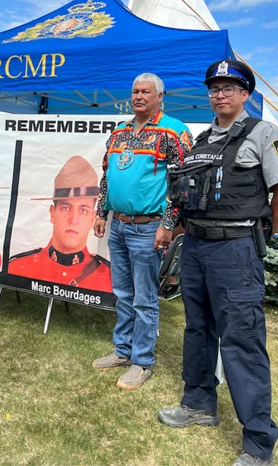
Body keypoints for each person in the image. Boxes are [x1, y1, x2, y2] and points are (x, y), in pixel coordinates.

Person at [157, 59, 278, 466]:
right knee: (198, 329)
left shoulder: (262, 133)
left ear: (245, 94)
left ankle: (258, 442)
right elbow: (183, 198)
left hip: (236, 250)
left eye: (230, 88)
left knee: (242, 340)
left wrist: (261, 236)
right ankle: (199, 403)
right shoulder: (201, 141)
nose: (220, 94)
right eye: (215, 88)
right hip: (197, 248)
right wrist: (173, 228)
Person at [92, 73, 193, 391]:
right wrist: (101, 212)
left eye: (146, 92)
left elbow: (183, 185)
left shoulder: (174, 131)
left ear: (160, 96)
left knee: (145, 298)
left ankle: (143, 361)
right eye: (135, 91)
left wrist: (167, 225)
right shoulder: (119, 131)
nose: (139, 96)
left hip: (148, 228)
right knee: (122, 293)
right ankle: (122, 351)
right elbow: (107, 174)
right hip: (119, 224)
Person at [7, 156, 111, 292]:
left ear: (92, 217)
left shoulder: (106, 276)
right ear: (52, 213)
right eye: (66, 208)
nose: (73, 220)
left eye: (83, 210)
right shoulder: (18, 267)